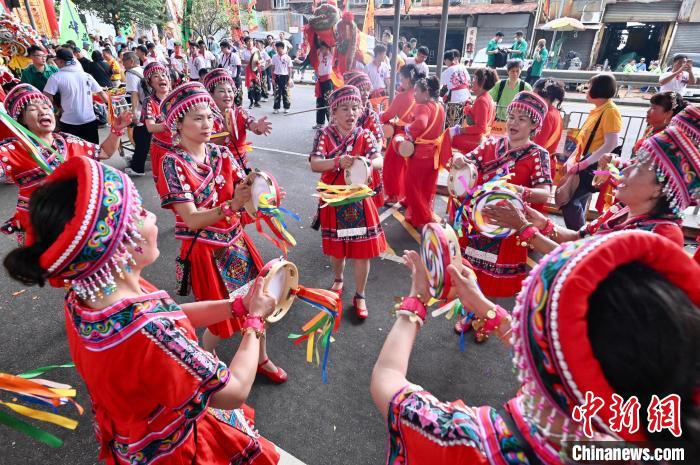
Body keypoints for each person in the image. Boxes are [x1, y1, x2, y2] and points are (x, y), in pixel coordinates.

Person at [4, 156, 283, 464]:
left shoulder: (89, 295)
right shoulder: (147, 330)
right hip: (178, 448)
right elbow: (233, 392)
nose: (152, 216)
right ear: (118, 244)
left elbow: (172, 313)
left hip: (134, 441)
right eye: (139, 213)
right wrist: (255, 319)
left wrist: (237, 306)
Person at [370, 230, 700, 465]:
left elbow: (387, 378)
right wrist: (485, 307)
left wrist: (417, 298)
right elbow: (565, 364)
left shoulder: (467, 442)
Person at [155, 83, 286, 384]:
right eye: (197, 118)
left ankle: (261, 357)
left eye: (208, 117)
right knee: (218, 317)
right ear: (178, 123)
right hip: (205, 249)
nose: (207, 124)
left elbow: (246, 191)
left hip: (235, 240)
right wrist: (232, 205)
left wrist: (263, 192)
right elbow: (190, 219)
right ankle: (201, 365)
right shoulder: (172, 163)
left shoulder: (221, 153)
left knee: (257, 300)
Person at [484, 123, 699, 260]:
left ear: (659, 189)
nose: (625, 168)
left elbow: (580, 261)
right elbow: (578, 238)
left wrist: (523, 229)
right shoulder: (621, 210)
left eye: (639, 166)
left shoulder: (662, 237)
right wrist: (544, 224)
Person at [0, 84, 130, 245]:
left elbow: (104, 152)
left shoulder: (67, 141)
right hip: (39, 225)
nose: (43, 111)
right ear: (21, 119)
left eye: (47, 107)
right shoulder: (14, 148)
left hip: (75, 218)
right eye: (33, 109)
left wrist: (116, 130)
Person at [453, 92, 552, 303]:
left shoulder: (538, 154)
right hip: (480, 219)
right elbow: (467, 163)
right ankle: (469, 312)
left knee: (493, 277)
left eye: (522, 119)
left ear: (534, 126)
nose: (513, 123)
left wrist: (520, 191)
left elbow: (545, 193)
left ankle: (486, 318)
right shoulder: (491, 145)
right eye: (511, 117)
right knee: (471, 271)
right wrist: (459, 159)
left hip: (508, 223)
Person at [309, 86, 387, 319]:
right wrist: (337, 162)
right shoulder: (324, 134)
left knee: (362, 252)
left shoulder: (365, 134)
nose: (351, 113)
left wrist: (367, 164)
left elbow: (380, 159)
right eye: (344, 108)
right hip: (334, 198)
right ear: (333, 112)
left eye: (355, 108)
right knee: (338, 250)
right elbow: (315, 163)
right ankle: (338, 278)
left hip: (358, 199)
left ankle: (360, 294)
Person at [560, 74, 622, 229]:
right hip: (584, 164)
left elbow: (611, 143)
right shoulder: (598, 110)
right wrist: (572, 161)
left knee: (570, 202)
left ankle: (578, 238)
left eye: (589, 87)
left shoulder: (610, 111)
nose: (586, 90)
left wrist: (583, 164)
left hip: (594, 167)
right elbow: (583, 142)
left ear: (598, 88)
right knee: (577, 201)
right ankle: (579, 236)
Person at [204, 68, 272, 172]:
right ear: (211, 95)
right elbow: (208, 145)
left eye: (230, 91)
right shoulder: (207, 117)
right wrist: (226, 132)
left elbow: (251, 123)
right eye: (222, 91)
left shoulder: (239, 112)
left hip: (240, 165)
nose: (227, 95)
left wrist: (257, 127)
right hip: (218, 168)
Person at [402, 76, 447, 229]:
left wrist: (408, 128)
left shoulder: (423, 107)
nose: (414, 94)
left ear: (426, 93)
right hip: (434, 153)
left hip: (420, 154)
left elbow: (421, 123)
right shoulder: (439, 106)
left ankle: (423, 218)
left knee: (412, 186)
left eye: (417, 91)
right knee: (426, 187)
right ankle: (421, 215)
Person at [43, 48, 108, 145]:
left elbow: (46, 97)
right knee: (93, 150)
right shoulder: (86, 75)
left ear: (61, 61)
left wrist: (57, 110)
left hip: (69, 121)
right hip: (89, 119)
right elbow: (101, 93)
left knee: (73, 152)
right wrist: (110, 107)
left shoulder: (56, 77)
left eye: (56, 60)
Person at [380, 64, 422, 205]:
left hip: (401, 136)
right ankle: (408, 197)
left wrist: (379, 116)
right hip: (416, 135)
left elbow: (388, 115)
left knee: (391, 165)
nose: (400, 81)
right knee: (409, 168)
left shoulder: (401, 96)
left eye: (401, 78)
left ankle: (393, 195)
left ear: (408, 79)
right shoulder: (420, 96)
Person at [344, 71, 385, 208]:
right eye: (362, 90)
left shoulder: (371, 115)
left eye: (368, 90)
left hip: (366, 164)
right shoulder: (340, 116)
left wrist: (372, 155)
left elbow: (379, 139)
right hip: (345, 164)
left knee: (366, 206)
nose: (366, 93)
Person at [449, 67, 498, 155]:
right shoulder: (487, 97)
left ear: (482, 82)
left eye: (475, 78)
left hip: (476, 140)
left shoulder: (482, 100)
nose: (472, 81)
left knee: (446, 137)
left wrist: (460, 130)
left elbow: (480, 128)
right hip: (481, 138)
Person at [140, 62, 172, 183]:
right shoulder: (149, 101)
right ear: (151, 83)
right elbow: (151, 127)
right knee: (166, 184)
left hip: (180, 147)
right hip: (162, 150)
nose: (161, 78)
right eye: (156, 76)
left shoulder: (176, 97)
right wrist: (171, 124)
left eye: (164, 75)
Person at [122, 52, 150, 177]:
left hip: (141, 110)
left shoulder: (131, 73)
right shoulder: (143, 69)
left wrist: (134, 113)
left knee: (140, 138)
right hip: (151, 108)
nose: (122, 64)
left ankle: (138, 168)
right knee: (145, 138)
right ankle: (137, 164)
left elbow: (134, 94)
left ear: (131, 61)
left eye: (124, 61)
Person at [532, 78, 565, 179]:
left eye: (534, 95)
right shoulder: (554, 112)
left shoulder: (546, 115)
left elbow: (537, 146)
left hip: (539, 165)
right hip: (546, 162)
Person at [439, 49, 471, 127]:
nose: (444, 62)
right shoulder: (462, 66)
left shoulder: (447, 71)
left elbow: (441, 83)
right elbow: (469, 80)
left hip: (456, 96)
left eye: (445, 60)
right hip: (466, 94)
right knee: (464, 117)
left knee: (454, 120)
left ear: (447, 60)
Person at [314, 42, 334, 129]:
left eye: (323, 48)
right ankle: (320, 123)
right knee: (319, 102)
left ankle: (331, 123)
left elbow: (333, 44)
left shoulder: (331, 55)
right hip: (320, 81)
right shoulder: (320, 54)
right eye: (321, 48)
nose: (322, 50)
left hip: (328, 81)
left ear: (328, 48)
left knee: (328, 102)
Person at [271, 41, 293, 114]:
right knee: (277, 93)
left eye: (279, 48)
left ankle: (286, 107)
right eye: (276, 48)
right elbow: (273, 68)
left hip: (285, 76)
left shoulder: (287, 58)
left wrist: (289, 79)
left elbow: (290, 69)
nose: (277, 50)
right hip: (277, 76)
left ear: (282, 48)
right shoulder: (274, 57)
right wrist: (273, 78)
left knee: (285, 93)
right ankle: (276, 108)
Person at [241, 37, 262, 109]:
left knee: (258, 86)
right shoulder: (244, 52)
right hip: (249, 71)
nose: (249, 43)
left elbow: (261, 59)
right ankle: (251, 102)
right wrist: (251, 62)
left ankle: (257, 101)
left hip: (256, 70)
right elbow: (242, 61)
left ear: (253, 42)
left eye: (250, 41)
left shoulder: (257, 50)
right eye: (247, 42)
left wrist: (259, 62)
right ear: (245, 43)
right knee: (250, 87)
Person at [220, 40, 243, 105]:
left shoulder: (234, 56)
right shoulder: (222, 56)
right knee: (229, 95)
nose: (221, 50)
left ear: (227, 47)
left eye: (222, 48)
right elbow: (220, 66)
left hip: (235, 77)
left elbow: (239, 67)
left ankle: (239, 108)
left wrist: (237, 77)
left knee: (237, 95)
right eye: (221, 48)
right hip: (226, 78)